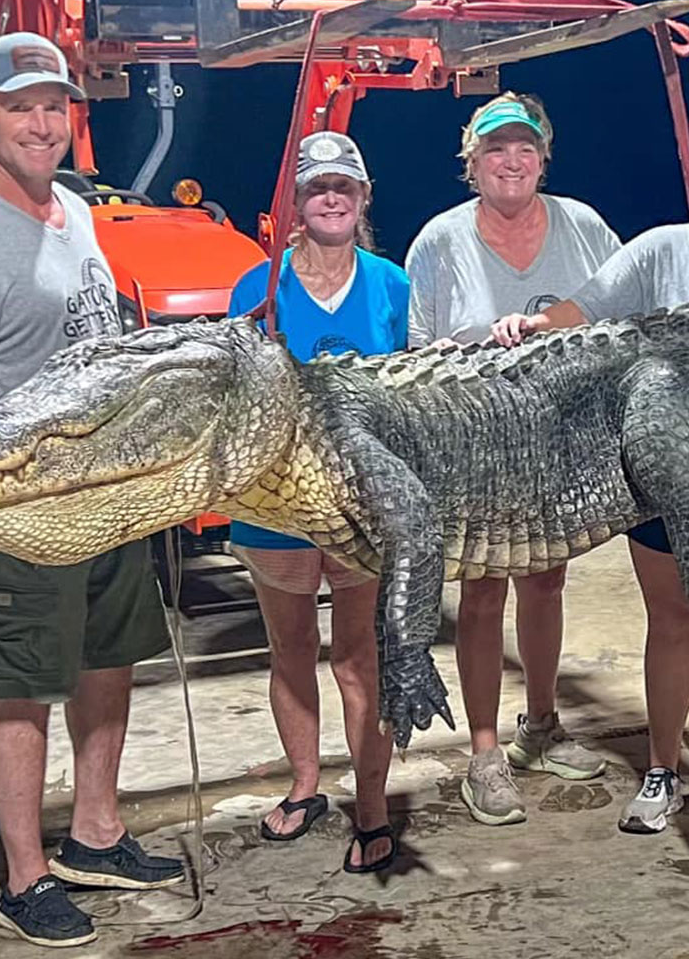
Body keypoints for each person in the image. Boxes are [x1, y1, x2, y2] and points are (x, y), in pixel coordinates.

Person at [0, 33, 182, 948]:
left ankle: (95, 832)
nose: (42, 123)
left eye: (56, 106)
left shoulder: (74, 210)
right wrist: (13, 507)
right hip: (26, 507)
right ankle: (23, 879)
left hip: (107, 492)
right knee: (24, 686)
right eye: (21, 106)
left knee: (112, 658)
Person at [491, 128, 689, 835]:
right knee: (674, 621)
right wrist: (531, 325)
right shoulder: (661, 249)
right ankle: (663, 767)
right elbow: (586, 308)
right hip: (665, 477)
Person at [404, 93, 621, 826]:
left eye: (524, 147)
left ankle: (540, 725)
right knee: (484, 593)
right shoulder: (438, 240)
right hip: (477, 447)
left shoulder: (585, 226)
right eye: (496, 149)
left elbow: (623, 312)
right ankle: (485, 753)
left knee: (546, 583)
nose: (511, 160)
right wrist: (468, 351)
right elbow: (416, 351)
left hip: (561, 444)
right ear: (472, 163)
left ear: (543, 157)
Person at [225, 130, 410, 873]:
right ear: (295, 204)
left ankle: (371, 801)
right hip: (275, 506)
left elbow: (415, 398)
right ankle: (306, 784)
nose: (330, 198)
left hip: (361, 505)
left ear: (362, 200)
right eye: (315, 188)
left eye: (344, 187)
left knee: (361, 656)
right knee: (291, 647)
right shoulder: (256, 287)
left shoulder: (393, 285)